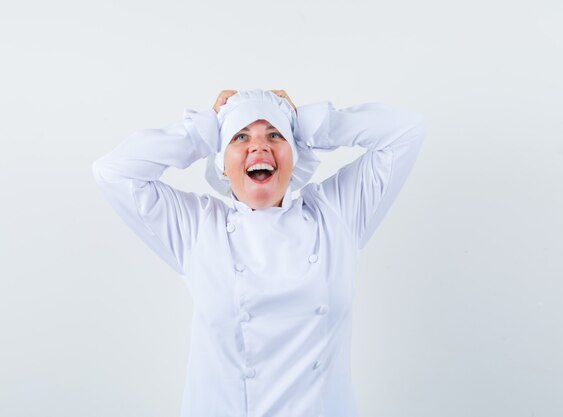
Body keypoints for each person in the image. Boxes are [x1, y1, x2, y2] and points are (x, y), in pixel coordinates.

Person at [92, 88, 425, 417]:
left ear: (295, 156)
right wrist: (198, 133)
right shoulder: (197, 227)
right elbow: (114, 171)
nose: (259, 146)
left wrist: (314, 124)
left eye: (275, 135)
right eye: (239, 137)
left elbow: (405, 132)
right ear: (222, 163)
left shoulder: (336, 213)